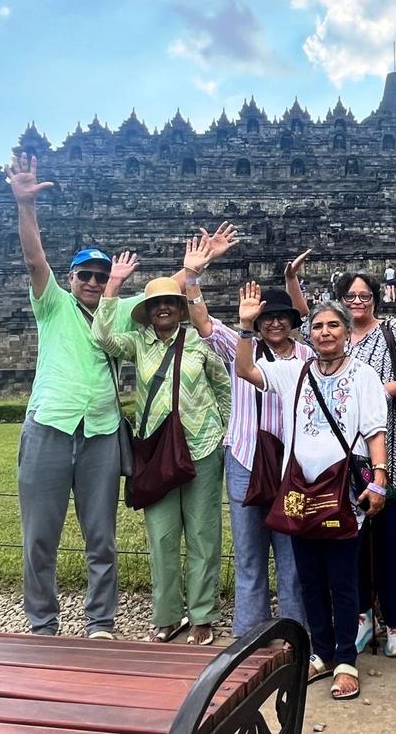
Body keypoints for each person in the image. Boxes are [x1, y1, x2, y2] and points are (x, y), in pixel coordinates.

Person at [235, 289, 388, 701]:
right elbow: (247, 370)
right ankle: (320, 653)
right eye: (318, 325)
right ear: (311, 332)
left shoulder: (363, 376)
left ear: (346, 331)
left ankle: (345, 660)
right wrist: (247, 326)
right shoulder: (294, 371)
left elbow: (376, 432)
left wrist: (378, 480)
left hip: (343, 490)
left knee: (342, 580)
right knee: (309, 580)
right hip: (300, 489)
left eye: (333, 325)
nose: (325, 332)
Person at [8, 152, 132, 639]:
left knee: (101, 537)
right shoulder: (53, 303)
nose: (94, 283)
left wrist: (193, 274)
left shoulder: (118, 312)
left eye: (102, 277)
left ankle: (100, 621)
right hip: (50, 426)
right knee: (40, 537)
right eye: (86, 275)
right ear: (72, 277)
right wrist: (25, 205)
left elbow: (169, 308)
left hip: (101, 432)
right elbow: (34, 258)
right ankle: (43, 621)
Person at [93, 256, 231, 645]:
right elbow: (101, 336)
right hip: (155, 452)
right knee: (162, 538)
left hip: (202, 448)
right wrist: (113, 287)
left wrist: (224, 432)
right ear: (148, 311)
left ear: (182, 307)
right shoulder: (138, 343)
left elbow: (223, 389)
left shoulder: (200, 344)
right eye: (156, 303)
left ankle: (203, 615)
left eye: (171, 301)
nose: (164, 307)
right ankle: (167, 615)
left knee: (204, 535)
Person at [182, 241, 311, 639]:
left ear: (292, 321)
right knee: (249, 552)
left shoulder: (307, 355)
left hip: (292, 461)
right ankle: (248, 634)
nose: (274, 324)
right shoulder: (243, 346)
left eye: (281, 317)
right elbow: (203, 323)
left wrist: (293, 282)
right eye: (266, 317)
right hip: (244, 456)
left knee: (292, 553)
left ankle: (294, 631)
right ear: (256, 321)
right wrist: (191, 276)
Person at [328, 269, 396, 657]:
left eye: (365, 296)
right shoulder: (334, 333)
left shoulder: (394, 330)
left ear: (376, 298)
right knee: (351, 542)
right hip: (344, 457)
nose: (358, 302)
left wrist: (374, 390)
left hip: (391, 450)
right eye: (350, 296)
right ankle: (361, 615)